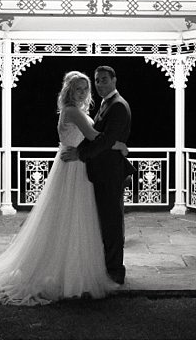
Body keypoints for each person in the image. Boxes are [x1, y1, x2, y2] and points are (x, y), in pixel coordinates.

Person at [0, 71, 128, 306]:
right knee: (71, 218)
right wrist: (120, 145)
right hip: (73, 167)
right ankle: (68, 272)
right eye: (79, 88)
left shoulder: (75, 110)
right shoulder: (72, 111)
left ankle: (71, 267)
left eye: (85, 88)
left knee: (73, 219)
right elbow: (94, 135)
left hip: (76, 165)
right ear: (69, 90)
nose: (84, 92)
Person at [60, 66, 135, 285]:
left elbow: (105, 138)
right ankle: (101, 265)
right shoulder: (103, 104)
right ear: (69, 91)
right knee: (102, 220)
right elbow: (101, 138)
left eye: (104, 80)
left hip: (109, 173)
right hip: (92, 169)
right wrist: (120, 145)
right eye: (97, 81)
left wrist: (83, 152)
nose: (100, 84)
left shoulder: (118, 105)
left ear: (114, 80)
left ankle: (114, 271)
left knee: (111, 222)